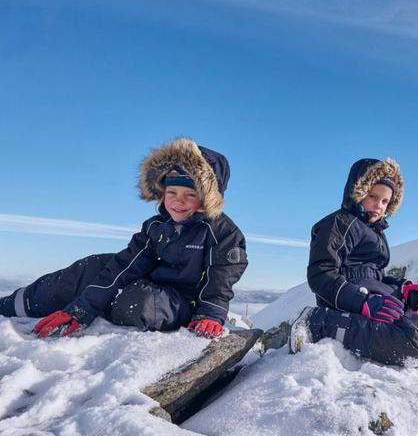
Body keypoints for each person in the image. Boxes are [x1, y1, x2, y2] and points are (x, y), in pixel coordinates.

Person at [0, 138, 248, 339]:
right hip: (148, 282)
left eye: (189, 194)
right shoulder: (156, 226)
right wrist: (81, 309)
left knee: (137, 303)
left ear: (208, 198)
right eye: (171, 192)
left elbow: (221, 279)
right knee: (95, 266)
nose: (177, 201)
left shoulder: (222, 233)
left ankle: (98, 303)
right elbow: (125, 266)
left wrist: (210, 315)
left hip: (180, 302)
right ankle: (15, 305)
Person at [290, 158, 418, 366]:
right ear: (358, 192)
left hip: (377, 299)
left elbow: (374, 275)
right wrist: (364, 303)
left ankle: (383, 324)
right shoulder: (339, 223)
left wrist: (404, 289)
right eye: (373, 196)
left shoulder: (374, 231)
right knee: (413, 346)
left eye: (385, 202)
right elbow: (321, 275)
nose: (379, 206)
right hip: (350, 302)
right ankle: (318, 324)